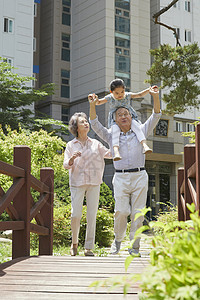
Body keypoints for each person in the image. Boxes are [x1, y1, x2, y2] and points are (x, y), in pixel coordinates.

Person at [89, 87, 161, 256]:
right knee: (121, 211)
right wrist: (93, 105)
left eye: (126, 113)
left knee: (138, 213)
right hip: (120, 177)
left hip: (139, 176)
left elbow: (156, 115)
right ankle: (118, 240)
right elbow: (95, 124)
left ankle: (135, 247)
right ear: (114, 119)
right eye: (119, 114)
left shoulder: (141, 130)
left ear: (131, 116)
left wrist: (155, 97)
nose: (123, 116)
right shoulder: (110, 135)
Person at [63, 112, 112, 257]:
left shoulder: (96, 144)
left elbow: (109, 154)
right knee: (75, 214)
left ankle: (88, 247)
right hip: (77, 183)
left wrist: (116, 142)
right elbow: (66, 165)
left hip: (94, 182)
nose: (86, 123)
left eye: (86, 121)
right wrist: (71, 159)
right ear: (76, 127)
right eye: (82, 122)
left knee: (92, 215)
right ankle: (74, 243)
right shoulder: (70, 145)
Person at [88, 79, 156, 161]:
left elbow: (139, 94)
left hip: (129, 116)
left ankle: (144, 145)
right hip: (115, 119)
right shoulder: (110, 98)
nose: (120, 95)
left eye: (122, 92)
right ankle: (116, 151)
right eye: (117, 93)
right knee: (115, 131)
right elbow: (98, 102)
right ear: (111, 92)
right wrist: (94, 99)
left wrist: (148, 90)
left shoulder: (127, 95)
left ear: (125, 90)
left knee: (136, 127)